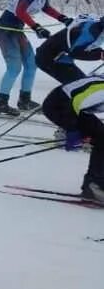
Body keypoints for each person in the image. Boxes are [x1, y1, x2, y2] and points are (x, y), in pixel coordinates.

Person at [0, 0, 71, 116]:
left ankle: (25, 100)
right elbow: (20, 11)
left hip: (17, 30)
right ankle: (1, 103)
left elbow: (46, 8)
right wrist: (37, 28)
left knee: (31, 64)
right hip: (5, 30)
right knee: (14, 67)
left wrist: (63, 18)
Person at [42, 75, 104, 204]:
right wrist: (72, 130)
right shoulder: (100, 94)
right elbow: (75, 104)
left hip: (76, 106)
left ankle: (93, 184)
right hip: (59, 105)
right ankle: (94, 186)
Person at [35, 15, 104, 86]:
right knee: (83, 87)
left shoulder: (97, 27)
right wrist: (100, 55)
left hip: (61, 57)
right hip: (50, 58)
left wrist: (100, 53)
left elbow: (87, 47)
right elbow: (75, 53)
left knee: (85, 86)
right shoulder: (91, 33)